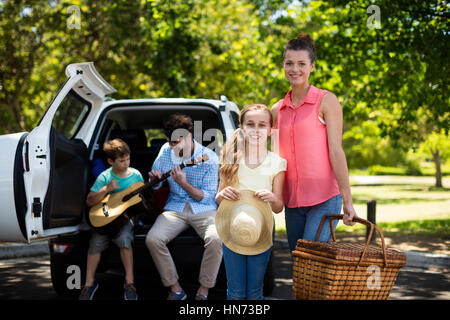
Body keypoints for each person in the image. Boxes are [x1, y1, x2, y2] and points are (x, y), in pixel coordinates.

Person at [271, 33, 358, 253]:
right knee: (299, 264)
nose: (295, 69)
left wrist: (348, 201)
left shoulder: (326, 100)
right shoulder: (276, 109)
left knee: (310, 257)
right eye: (289, 63)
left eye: (301, 63)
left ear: (312, 67)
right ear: (283, 65)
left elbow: (336, 152)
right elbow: (272, 160)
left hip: (325, 198)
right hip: (293, 203)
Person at [145, 114, 222, 301]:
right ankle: (176, 289)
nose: (174, 148)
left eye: (177, 143)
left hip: (204, 208)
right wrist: (154, 180)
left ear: (189, 136)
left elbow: (207, 196)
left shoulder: (209, 157)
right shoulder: (165, 151)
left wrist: (184, 183)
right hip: (175, 207)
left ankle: (203, 291)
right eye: (171, 143)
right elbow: (155, 185)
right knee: (153, 239)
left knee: (216, 238)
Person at [215, 104, 286, 300]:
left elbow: (279, 207)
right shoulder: (231, 158)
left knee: (255, 291)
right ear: (242, 127)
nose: (256, 130)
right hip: (232, 225)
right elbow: (218, 198)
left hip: (261, 227)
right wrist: (223, 194)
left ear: (271, 130)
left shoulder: (277, 162)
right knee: (235, 291)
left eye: (262, 125)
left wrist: (272, 198)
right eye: (250, 124)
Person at [80, 139, 144, 300]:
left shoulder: (135, 175)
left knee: (124, 239)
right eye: (121, 161)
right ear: (110, 161)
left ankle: (129, 282)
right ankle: (89, 283)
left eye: (128, 159)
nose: (126, 163)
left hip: (124, 219)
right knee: (95, 243)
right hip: (105, 219)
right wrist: (107, 188)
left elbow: (141, 201)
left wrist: (137, 218)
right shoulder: (105, 176)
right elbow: (89, 201)